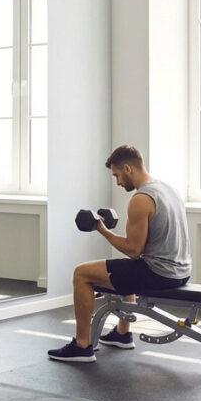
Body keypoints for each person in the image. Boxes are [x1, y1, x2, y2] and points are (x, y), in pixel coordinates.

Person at [48, 144, 191, 363]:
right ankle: (122, 334)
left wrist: (102, 230)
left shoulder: (141, 199)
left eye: (117, 175)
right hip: (182, 271)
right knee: (125, 268)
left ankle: (82, 345)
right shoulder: (167, 189)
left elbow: (134, 250)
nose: (117, 182)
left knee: (81, 273)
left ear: (127, 168)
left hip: (159, 273)